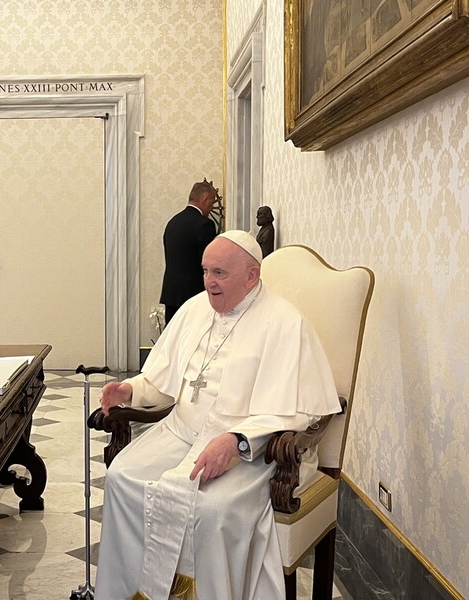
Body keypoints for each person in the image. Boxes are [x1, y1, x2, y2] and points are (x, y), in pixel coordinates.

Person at [95, 230, 342, 600]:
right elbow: (165, 379)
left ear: (251, 276)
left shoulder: (286, 323)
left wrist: (237, 440)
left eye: (220, 273)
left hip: (252, 454)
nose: (209, 282)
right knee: (121, 478)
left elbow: (293, 413)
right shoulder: (195, 309)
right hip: (180, 434)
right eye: (205, 271)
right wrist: (132, 390)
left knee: (212, 509)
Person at [159, 180, 218, 324]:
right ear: (205, 200)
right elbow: (208, 263)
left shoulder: (173, 222)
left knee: (173, 342)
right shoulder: (204, 224)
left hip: (171, 294)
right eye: (211, 203)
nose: (211, 208)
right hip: (194, 296)